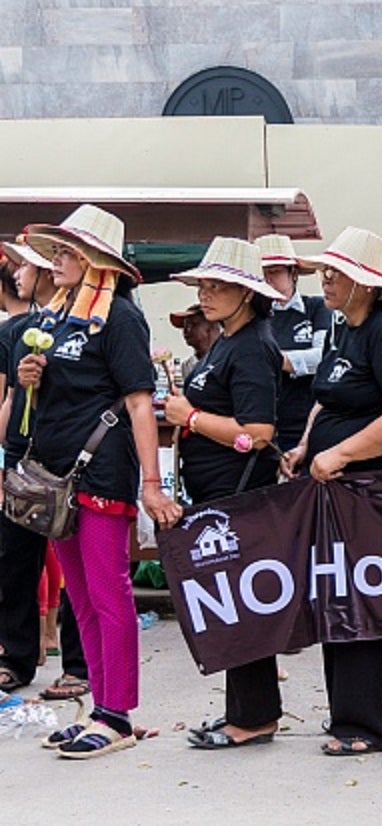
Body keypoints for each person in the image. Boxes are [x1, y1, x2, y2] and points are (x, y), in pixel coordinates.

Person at [19, 204, 181, 758]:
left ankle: (118, 714)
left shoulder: (121, 317)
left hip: (102, 471)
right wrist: (30, 377)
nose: (57, 260)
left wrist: (152, 484)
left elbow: (139, 404)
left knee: (110, 594)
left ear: (97, 262)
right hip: (57, 475)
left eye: (68, 252)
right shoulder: (58, 317)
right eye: (57, 251)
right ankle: (100, 706)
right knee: (80, 598)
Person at [279, 227, 382, 756]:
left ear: (364, 283)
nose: (325, 280)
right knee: (340, 599)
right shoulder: (344, 328)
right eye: (324, 272)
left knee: (376, 602)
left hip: (380, 493)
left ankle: (377, 725)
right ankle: (348, 715)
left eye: (336, 273)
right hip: (338, 494)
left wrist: (342, 453)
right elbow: (327, 396)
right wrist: (306, 446)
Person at [159, 237, 286, 750]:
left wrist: (190, 417)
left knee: (242, 607)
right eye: (204, 286)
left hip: (239, 496)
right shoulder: (229, 341)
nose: (206, 295)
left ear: (247, 293)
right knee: (231, 605)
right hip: (218, 494)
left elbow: (257, 434)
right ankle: (245, 710)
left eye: (218, 286)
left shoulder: (252, 346)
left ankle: (254, 717)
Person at [0, 239, 58, 692]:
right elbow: (10, 398)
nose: (18, 274)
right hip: (21, 455)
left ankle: (76, 663)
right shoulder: (21, 330)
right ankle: (17, 656)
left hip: (63, 456)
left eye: (26, 267)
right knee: (15, 559)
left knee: (68, 562)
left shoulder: (84, 324)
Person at [257, 234, 333, 451]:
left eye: (275, 272)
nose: (268, 279)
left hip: (308, 420)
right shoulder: (257, 316)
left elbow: (323, 356)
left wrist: (276, 359)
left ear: (293, 273)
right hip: (266, 422)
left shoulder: (316, 307)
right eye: (263, 273)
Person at [168, 303, 220, 379]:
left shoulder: (227, 359)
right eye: (184, 326)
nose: (186, 331)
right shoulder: (188, 366)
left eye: (192, 325)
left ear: (211, 327)